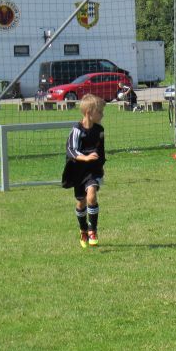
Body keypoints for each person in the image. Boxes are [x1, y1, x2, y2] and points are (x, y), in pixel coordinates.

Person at [61, 94, 106, 248]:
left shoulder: (100, 130)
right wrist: (85, 158)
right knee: (81, 203)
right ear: (89, 113)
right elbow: (70, 150)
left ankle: (93, 230)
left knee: (91, 195)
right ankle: (83, 229)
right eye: (99, 112)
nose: (102, 115)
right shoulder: (77, 130)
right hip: (78, 171)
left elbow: (101, 151)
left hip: (92, 171)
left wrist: (100, 166)